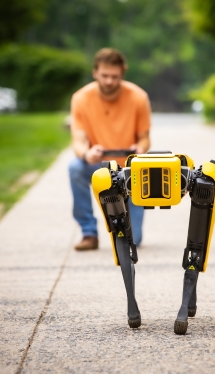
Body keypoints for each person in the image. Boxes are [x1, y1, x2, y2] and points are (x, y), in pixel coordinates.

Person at [69, 48, 151, 250]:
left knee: (134, 240)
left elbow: (145, 139)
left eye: (114, 76)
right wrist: (87, 154)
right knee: (75, 167)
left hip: (131, 170)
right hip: (99, 166)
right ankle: (89, 233)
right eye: (104, 76)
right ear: (95, 72)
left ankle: (126, 226)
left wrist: (139, 149)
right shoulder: (80, 98)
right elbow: (78, 141)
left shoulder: (139, 97)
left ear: (123, 72)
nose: (109, 81)